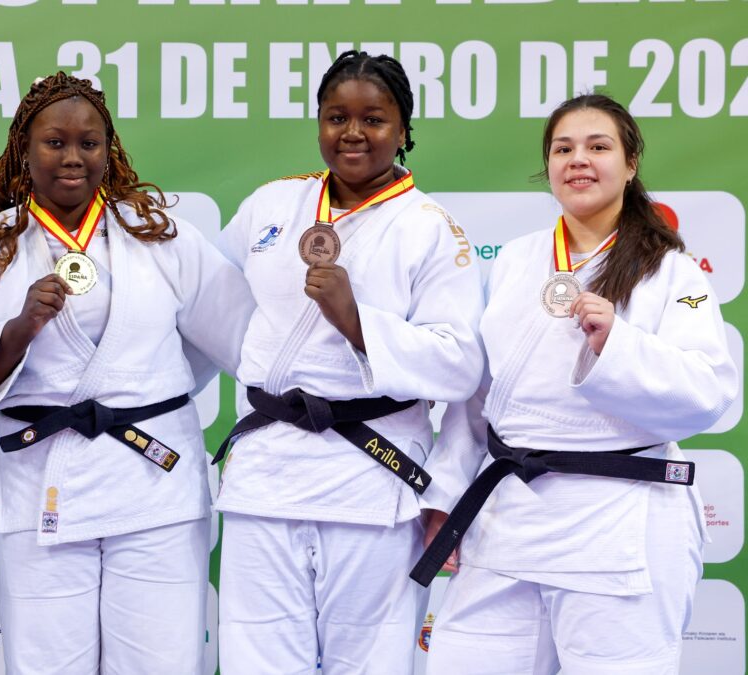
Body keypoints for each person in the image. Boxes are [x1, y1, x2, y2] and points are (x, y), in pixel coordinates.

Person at [0, 72, 253, 674]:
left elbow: (238, 340)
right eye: (55, 142)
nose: (73, 158)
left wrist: (145, 389)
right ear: (24, 150)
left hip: (153, 484)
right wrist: (16, 330)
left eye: (90, 143)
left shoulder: (160, 236)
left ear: (111, 149)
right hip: (40, 487)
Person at [417, 94, 737, 675]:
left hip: (617, 519)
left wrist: (618, 344)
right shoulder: (516, 260)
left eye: (598, 146)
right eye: (563, 149)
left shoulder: (674, 273)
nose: (578, 160)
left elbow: (709, 391)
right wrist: (446, 493)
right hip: (509, 515)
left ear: (631, 162)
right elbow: (481, 396)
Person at [213, 50, 484, 674]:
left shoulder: (431, 228)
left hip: (369, 478)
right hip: (266, 479)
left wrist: (358, 323)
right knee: (257, 661)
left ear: (404, 130)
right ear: (318, 123)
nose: (354, 133)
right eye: (337, 117)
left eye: (374, 119)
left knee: (370, 662)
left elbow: (460, 364)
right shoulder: (271, 207)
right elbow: (220, 313)